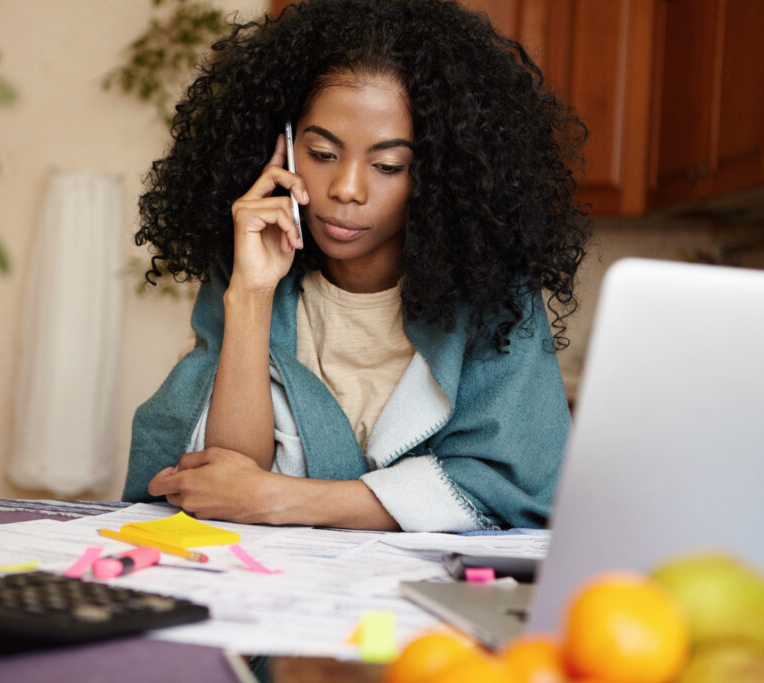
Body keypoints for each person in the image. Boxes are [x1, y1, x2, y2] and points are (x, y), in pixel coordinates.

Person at [122, 0, 589, 532]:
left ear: (438, 174)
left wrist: (286, 499)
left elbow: (510, 489)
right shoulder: (252, 267)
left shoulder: (491, 296)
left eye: (389, 166)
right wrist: (251, 294)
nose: (347, 189)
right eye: (322, 154)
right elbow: (223, 483)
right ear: (286, 147)